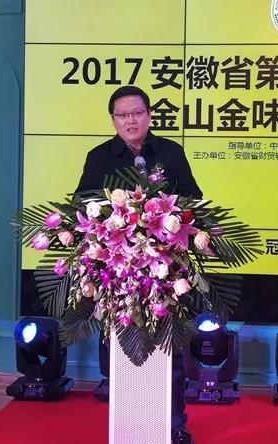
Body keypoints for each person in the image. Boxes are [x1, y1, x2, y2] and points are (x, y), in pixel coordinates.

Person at [76, 85, 202, 444]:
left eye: (136, 113)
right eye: (122, 115)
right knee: (119, 343)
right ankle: (126, 421)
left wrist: (169, 219)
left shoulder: (170, 152)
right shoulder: (99, 157)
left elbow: (192, 199)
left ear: (149, 115)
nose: (130, 121)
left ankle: (174, 424)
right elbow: (82, 204)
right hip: (118, 272)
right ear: (113, 120)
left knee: (169, 346)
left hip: (165, 268)